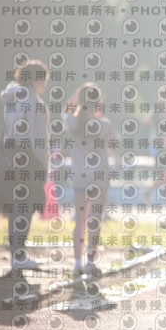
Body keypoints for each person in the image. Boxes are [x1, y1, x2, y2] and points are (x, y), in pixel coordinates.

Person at [63, 83, 118, 277]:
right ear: (98, 103)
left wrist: (77, 93)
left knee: (80, 221)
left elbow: (66, 110)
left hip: (79, 177)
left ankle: (77, 262)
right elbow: (113, 147)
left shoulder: (72, 122)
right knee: (95, 219)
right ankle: (90, 261)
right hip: (99, 177)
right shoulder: (104, 125)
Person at [0, 60, 50, 271]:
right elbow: (35, 135)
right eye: (44, 79)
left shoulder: (12, 97)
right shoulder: (31, 100)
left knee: (17, 204)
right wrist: (42, 162)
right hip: (29, 156)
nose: (45, 84)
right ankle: (19, 254)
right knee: (26, 205)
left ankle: (16, 253)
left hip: (12, 153)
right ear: (36, 79)